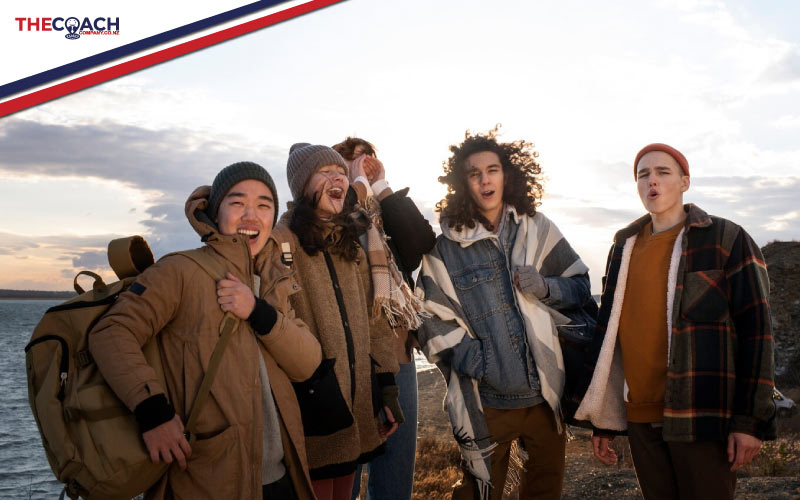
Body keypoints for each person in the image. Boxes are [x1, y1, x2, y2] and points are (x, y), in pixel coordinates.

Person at [89, 162, 322, 499]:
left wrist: (257, 311)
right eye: (237, 203)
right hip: (208, 481)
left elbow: (308, 362)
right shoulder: (181, 270)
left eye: (263, 205)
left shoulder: (273, 281)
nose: (251, 216)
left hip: (280, 479)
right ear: (215, 212)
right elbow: (111, 332)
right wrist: (154, 414)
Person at [575, 143, 776, 500]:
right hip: (639, 418)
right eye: (643, 175)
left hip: (702, 414)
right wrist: (604, 417)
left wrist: (750, 422)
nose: (651, 181)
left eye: (662, 172)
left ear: (685, 181)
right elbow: (610, 336)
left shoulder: (726, 239)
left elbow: (756, 333)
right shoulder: (623, 246)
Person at [416, 128, 593, 500]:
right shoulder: (445, 250)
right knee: (477, 493)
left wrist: (545, 286)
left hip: (546, 397)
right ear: (462, 182)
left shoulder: (538, 228)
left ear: (506, 175)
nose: (485, 180)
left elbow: (580, 287)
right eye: (474, 173)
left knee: (545, 492)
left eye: (492, 170)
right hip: (487, 402)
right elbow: (428, 319)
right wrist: (476, 360)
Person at [271, 142, 404, 500]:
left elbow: (374, 323)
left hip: (356, 404)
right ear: (302, 187)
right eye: (324, 173)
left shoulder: (351, 245)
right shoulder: (282, 241)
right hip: (311, 406)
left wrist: (387, 387)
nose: (338, 179)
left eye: (341, 173)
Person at [332, 137, 436, 500]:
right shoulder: (328, 214)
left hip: (397, 351)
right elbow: (334, 228)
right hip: (349, 358)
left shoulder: (385, 214)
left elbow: (422, 241)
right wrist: (355, 184)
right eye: (351, 164)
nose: (362, 167)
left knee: (396, 462)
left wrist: (382, 186)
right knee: (348, 463)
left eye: (367, 162)